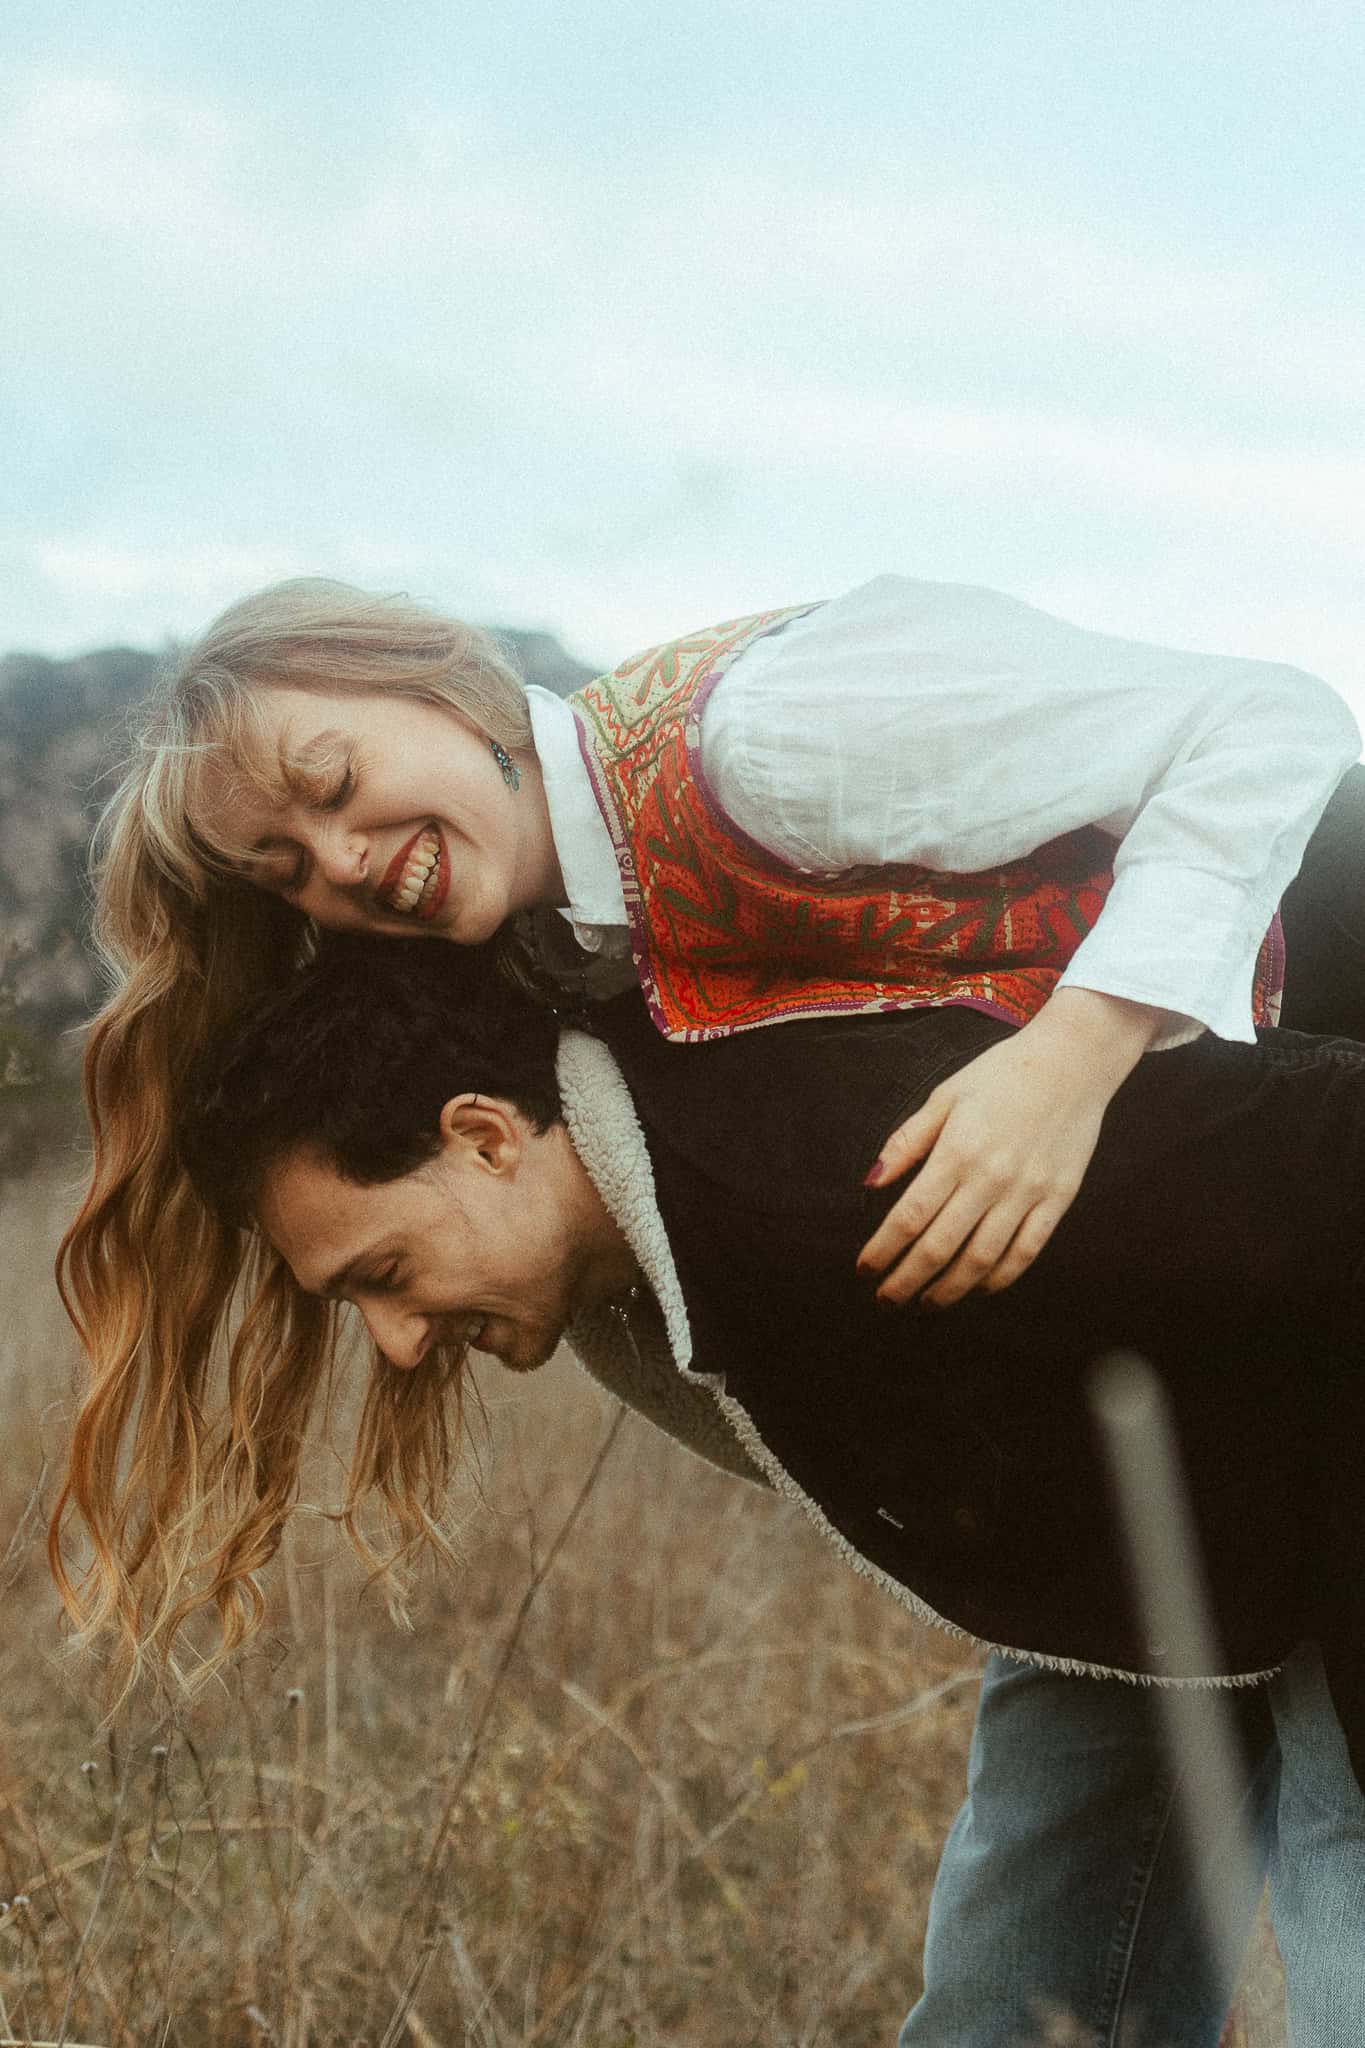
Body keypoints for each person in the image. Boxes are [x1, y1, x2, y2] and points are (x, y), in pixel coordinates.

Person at [84, 930, 1362, 2048]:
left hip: (1328, 1459)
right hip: (1154, 1533)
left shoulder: (838, 1157)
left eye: (385, 1272)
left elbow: (1331, 1147)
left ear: (485, 1136)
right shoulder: (634, 1256)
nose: (399, 1344)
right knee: (1011, 2005)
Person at [65, 572, 1358, 1347]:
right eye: (283, 869)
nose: (340, 861)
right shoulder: (567, 952)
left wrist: (1074, 1054)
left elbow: (1266, 721)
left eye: (333, 782)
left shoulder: (765, 740)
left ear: (435, 684)